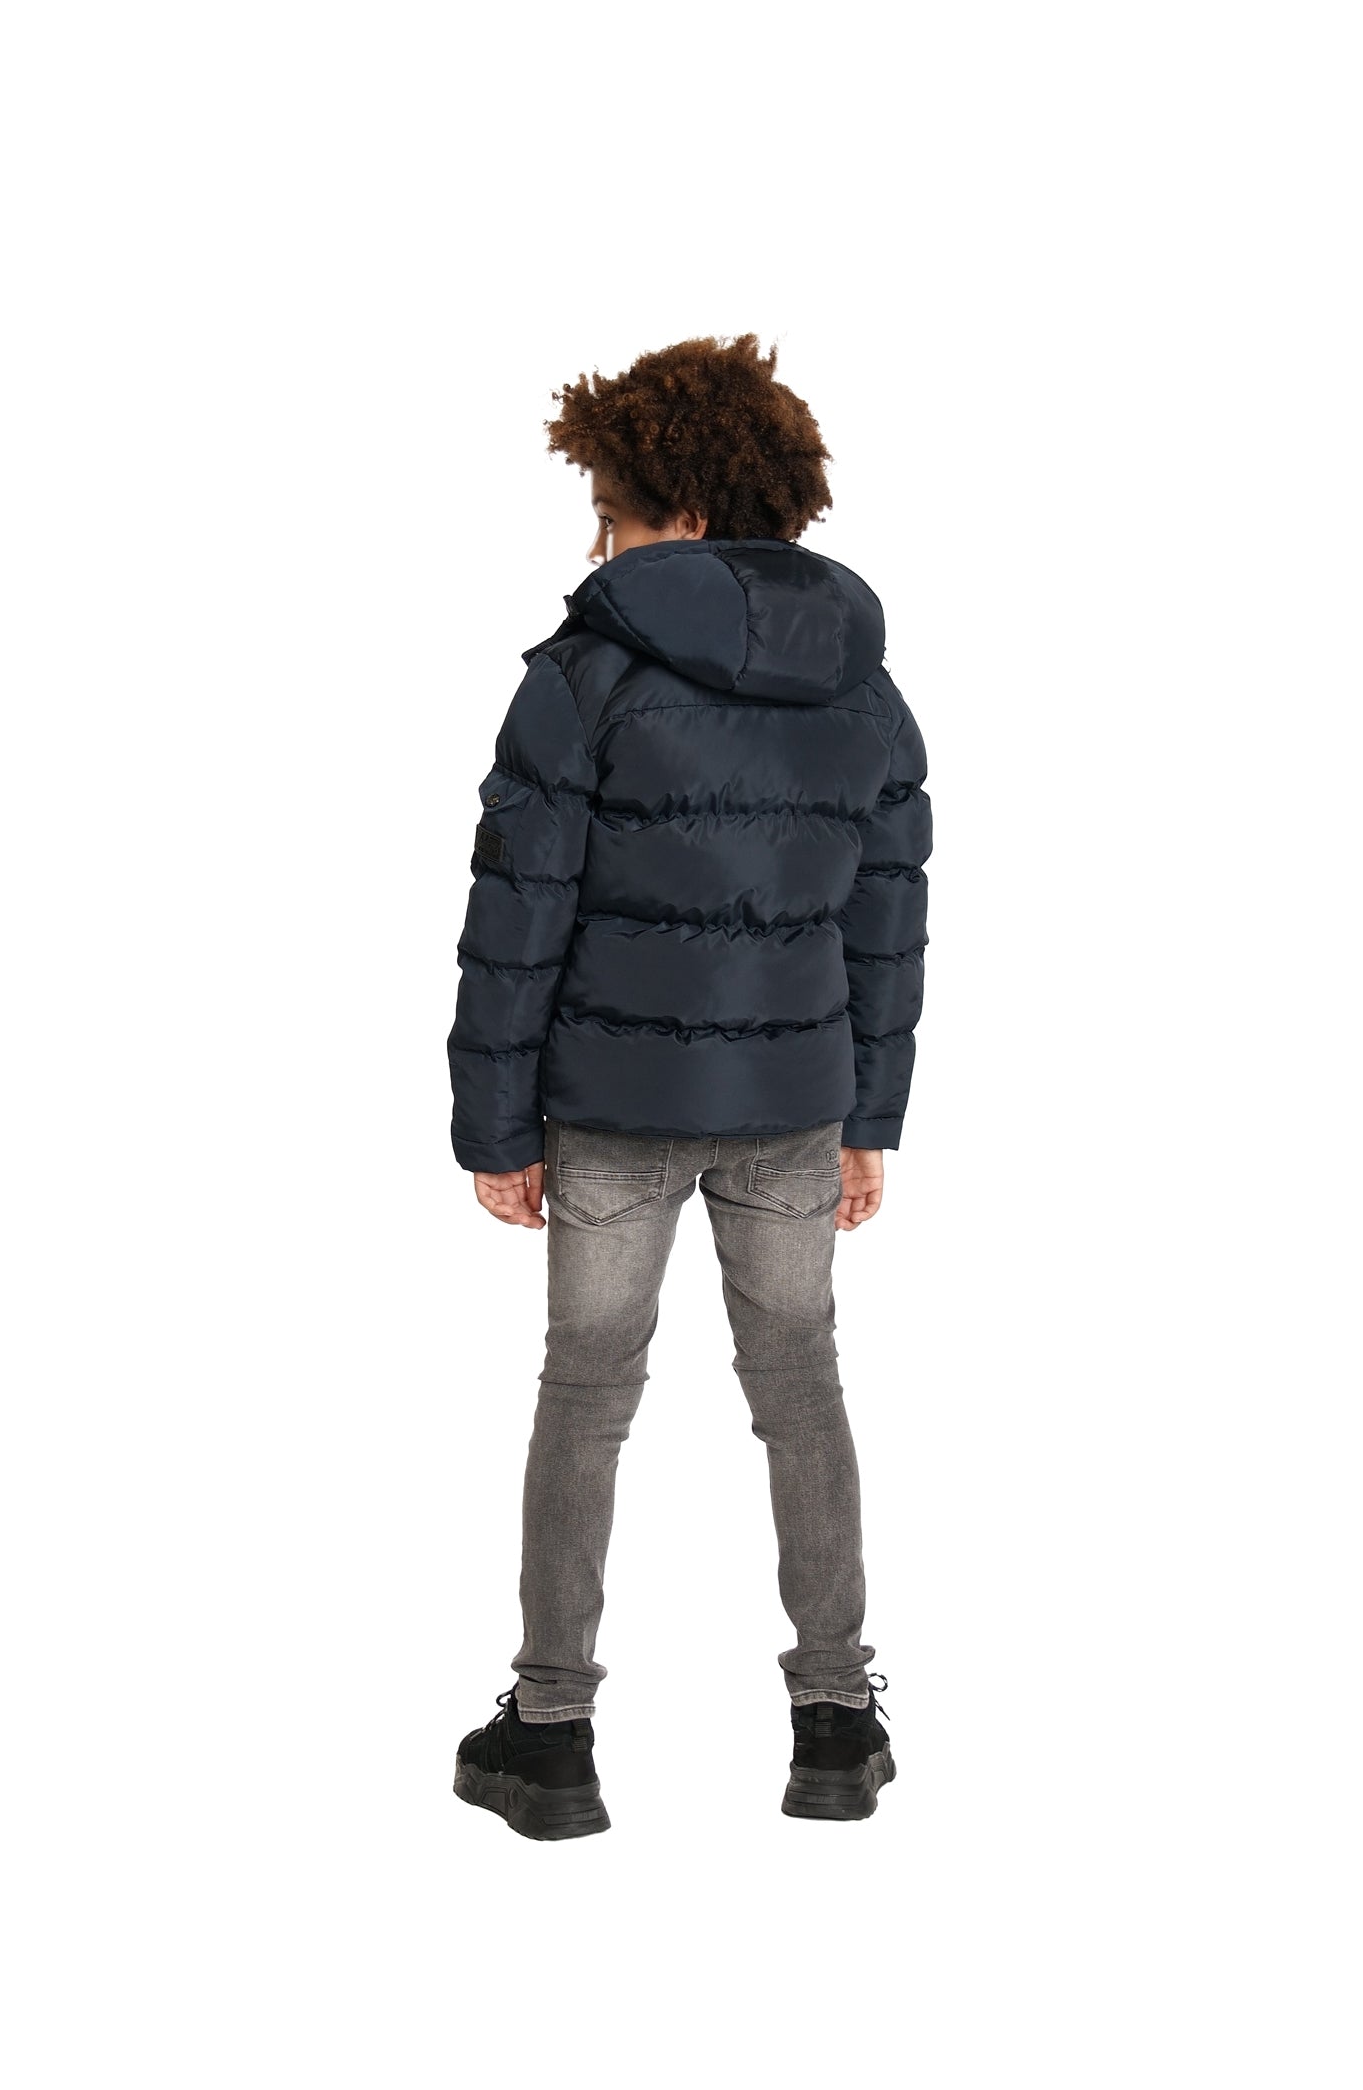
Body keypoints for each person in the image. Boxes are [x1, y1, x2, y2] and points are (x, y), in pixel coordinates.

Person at [447, 334, 932, 1836]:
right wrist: (868, 1115)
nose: (598, 538)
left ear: (677, 506)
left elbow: (517, 915)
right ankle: (836, 1724)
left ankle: (549, 1737)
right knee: (801, 1386)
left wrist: (495, 1125)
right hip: (795, 1102)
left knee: (587, 1397)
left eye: (611, 508)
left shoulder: (584, 674)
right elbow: (888, 912)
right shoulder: (863, 679)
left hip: (610, 1108)